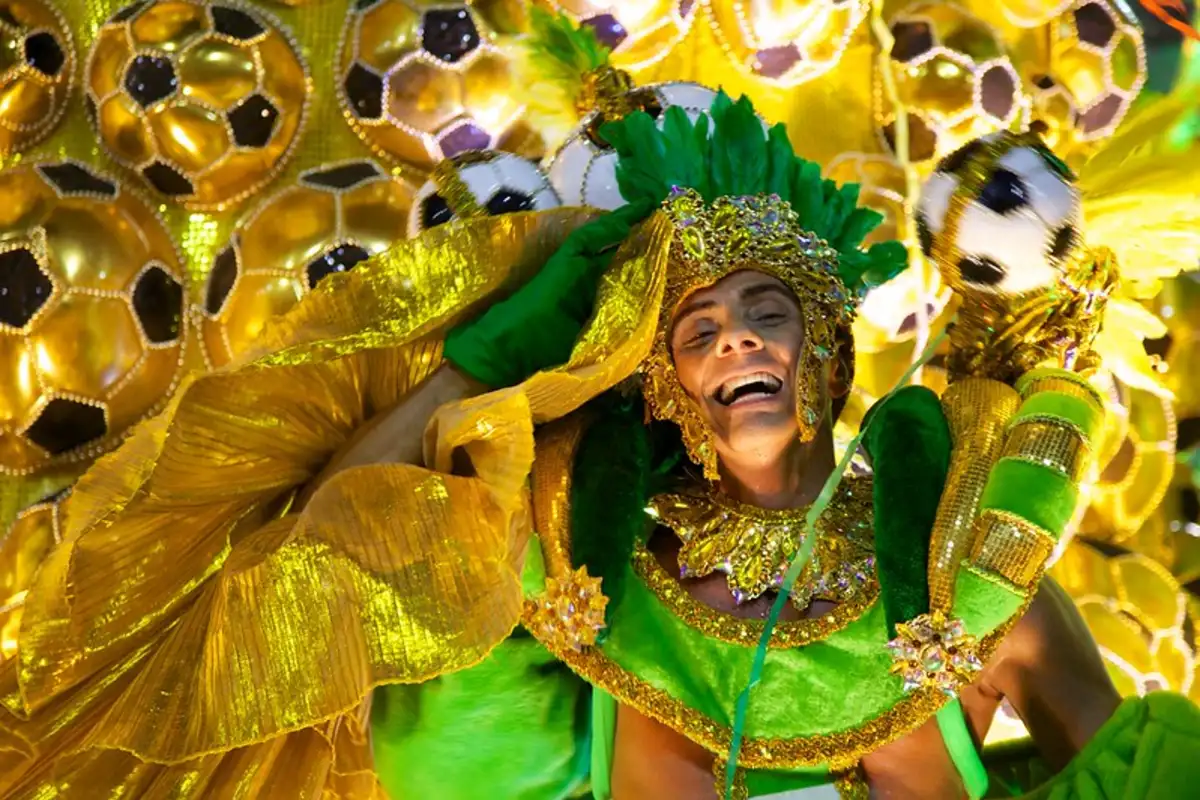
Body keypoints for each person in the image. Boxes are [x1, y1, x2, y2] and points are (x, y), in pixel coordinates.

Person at [2, 94, 1198, 800]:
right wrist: (489, 361)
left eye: (766, 309)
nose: (736, 337)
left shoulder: (970, 576)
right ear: (667, 387)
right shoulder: (603, 589)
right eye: (697, 326)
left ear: (824, 351)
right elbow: (341, 534)